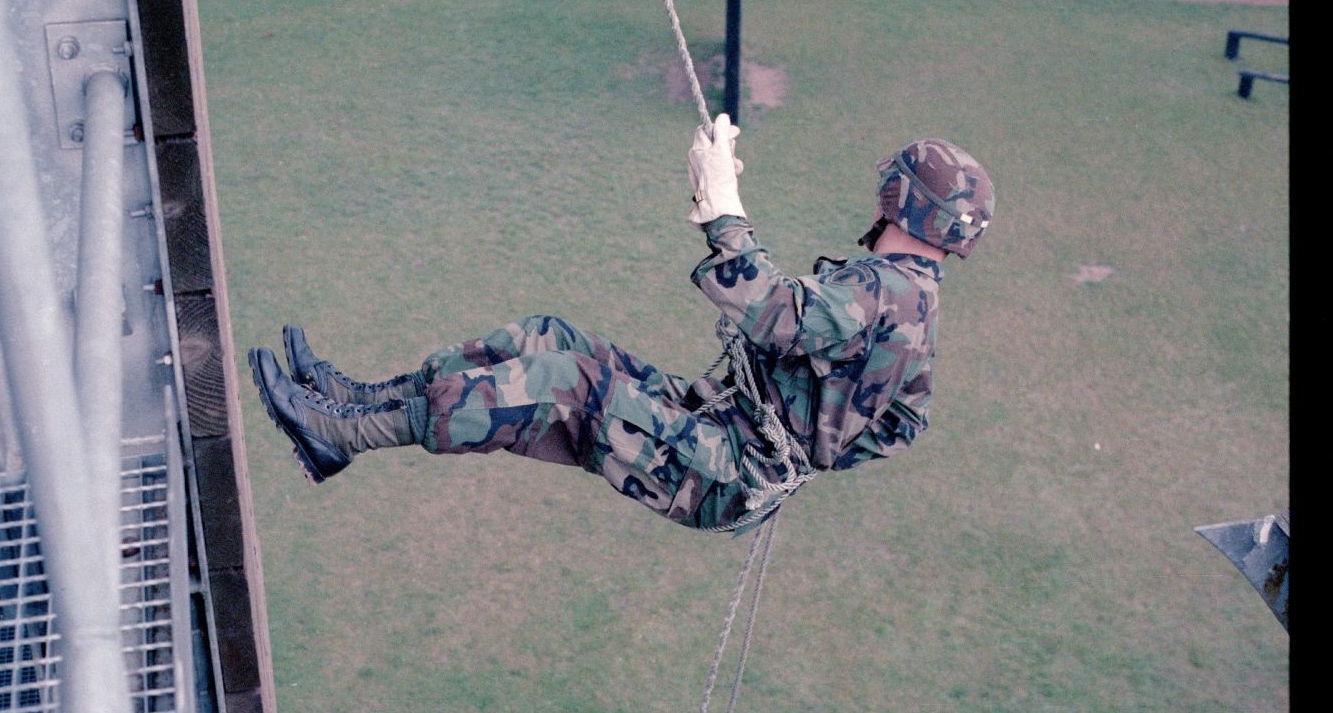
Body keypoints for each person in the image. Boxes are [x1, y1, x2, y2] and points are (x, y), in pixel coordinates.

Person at [247, 115, 995, 533]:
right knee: (548, 338)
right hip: (716, 428)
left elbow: (777, 317)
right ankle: (356, 405)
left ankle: (343, 431)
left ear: (899, 201)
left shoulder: (892, 293)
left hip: (724, 467)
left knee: (563, 381)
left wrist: (727, 210)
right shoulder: (903, 293)